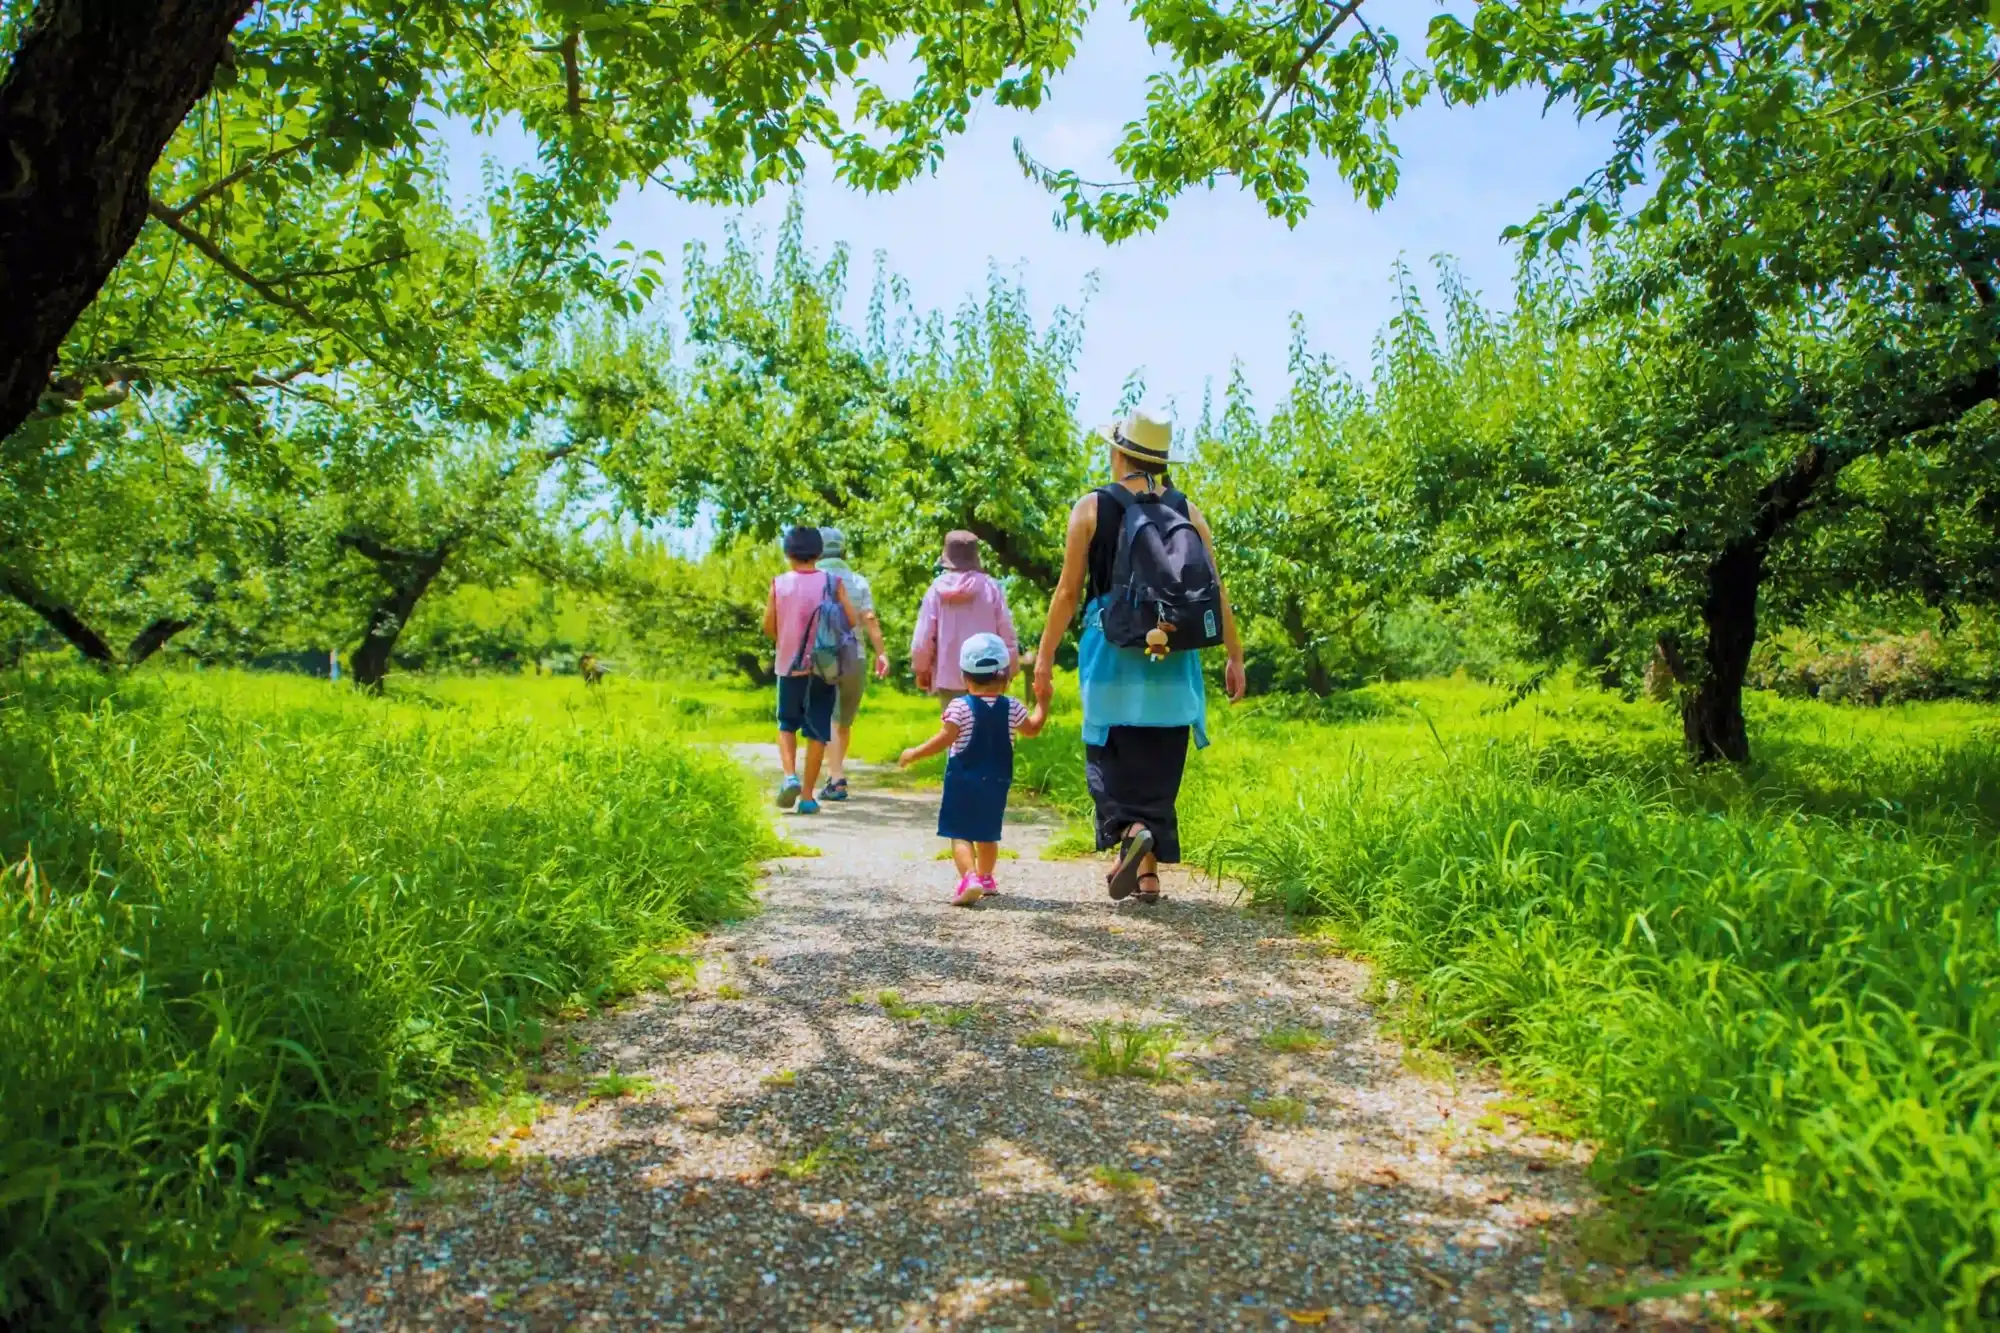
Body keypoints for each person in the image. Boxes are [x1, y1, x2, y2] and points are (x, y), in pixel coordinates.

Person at [1030, 407, 1247, 904]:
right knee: (1157, 761)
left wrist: (1044, 658)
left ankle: (1129, 835)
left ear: (1118, 452)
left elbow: (1067, 593)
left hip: (1112, 651)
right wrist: (1234, 655)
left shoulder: (1092, 508)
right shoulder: (1187, 511)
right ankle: (1147, 875)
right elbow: (1216, 590)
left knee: (1109, 756)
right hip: (1173, 657)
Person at [899, 632, 1048, 907]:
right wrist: (1043, 702)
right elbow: (1034, 728)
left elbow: (944, 739)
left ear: (965, 677)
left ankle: (969, 878)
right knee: (988, 832)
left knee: (960, 832)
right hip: (997, 781)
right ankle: (986, 877)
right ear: (1005, 677)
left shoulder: (959, 707)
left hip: (963, 782)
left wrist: (914, 753)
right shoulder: (1012, 707)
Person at [763, 525, 863, 815]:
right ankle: (807, 797)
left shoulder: (779, 583)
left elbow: (769, 626)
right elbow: (852, 620)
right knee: (817, 729)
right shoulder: (833, 582)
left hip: (788, 664)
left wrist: (788, 639)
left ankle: (789, 777)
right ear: (818, 553)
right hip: (825, 666)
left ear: (787, 553)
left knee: (786, 724)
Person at [816, 526, 891, 802]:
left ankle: (836, 779)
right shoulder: (858, 581)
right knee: (842, 722)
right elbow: (869, 618)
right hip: (855, 656)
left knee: (831, 720)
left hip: (821, 658)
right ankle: (835, 774)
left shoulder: (812, 580)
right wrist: (882, 653)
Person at [911, 531, 1018, 706]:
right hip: (989, 675)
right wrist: (1011, 667)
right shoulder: (990, 587)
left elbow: (924, 635)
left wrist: (921, 669)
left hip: (949, 676)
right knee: (986, 728)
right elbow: (1006, 631)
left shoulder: (936, 590)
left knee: (955, 729)